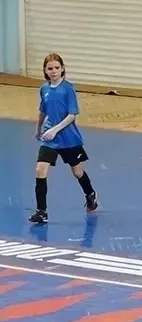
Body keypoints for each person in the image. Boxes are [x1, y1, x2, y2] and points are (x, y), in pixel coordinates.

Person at [29, 53, 99, 225]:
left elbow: (72, 115)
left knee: (77, 172)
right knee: (40, 170)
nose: (53, 71)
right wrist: (39, 128)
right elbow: (43, 110)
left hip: (68, 138)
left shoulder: (68, 89)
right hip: (49, 138)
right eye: (50, 68)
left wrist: (55, 129)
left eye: (57, 68)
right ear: (45, 70)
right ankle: (41, 212)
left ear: (62, 69)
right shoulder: (44, 89)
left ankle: (90, 194)